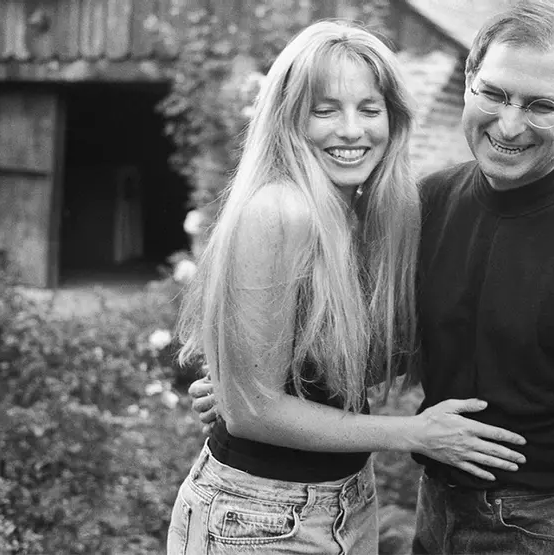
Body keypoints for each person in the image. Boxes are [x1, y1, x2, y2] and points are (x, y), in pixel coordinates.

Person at [193, 2, 554, 554]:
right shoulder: (427, 204)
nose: (509, 125)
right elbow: (386, 348)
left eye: (541, 106)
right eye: (495, 94)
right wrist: (258, 388)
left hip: (551, 525)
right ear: (468, 83)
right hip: (436, 512)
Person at [168, 20, 527, 555]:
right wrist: (411, 433)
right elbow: (253, 413)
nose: (353, 130)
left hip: (346, 501)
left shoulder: (356, 212)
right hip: (259, 517)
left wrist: (240, 378)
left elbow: (327, 372)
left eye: (369, 108)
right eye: (325, 109)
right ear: (290, 118)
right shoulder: (280, 210)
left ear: (393, 118)